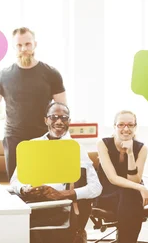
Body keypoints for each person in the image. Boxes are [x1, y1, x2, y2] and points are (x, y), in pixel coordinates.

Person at [0, 27, 67, 179]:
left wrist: (59, 139)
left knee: (46, 187)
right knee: (18, 189)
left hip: (44, 139)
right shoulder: (3, 75)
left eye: (28, 44)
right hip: (14, 140)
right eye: (19, 45)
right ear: (14, 47)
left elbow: (63, 110)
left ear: (35, 44)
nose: (24, 49)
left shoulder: (51, 73)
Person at [11, 102, 102, 243]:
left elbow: (96, 188)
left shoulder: (76, 149)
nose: (59, 121)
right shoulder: (32, 145)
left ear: (69, 122)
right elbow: (15, 181)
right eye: (54, 117)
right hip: (34, 203)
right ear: (46, 120)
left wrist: (64, 194)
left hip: (63, 206)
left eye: (64, 118)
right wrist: (24, 189)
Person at [96, 110, 148, 243]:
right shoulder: (103, 144)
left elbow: (133, 180)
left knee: (130, 194)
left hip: (129, 196)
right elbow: (112, 178)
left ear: (135, 127)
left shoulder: (141, 148)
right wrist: (142, 188)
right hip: (107, 193)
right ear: (114, 127)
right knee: (132, 194)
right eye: (121, 125)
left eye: (130, 125)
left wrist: (130, 153)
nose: (126, 129)